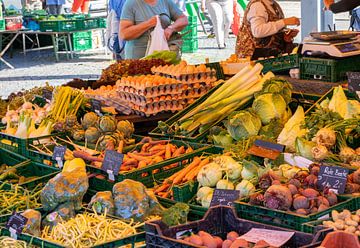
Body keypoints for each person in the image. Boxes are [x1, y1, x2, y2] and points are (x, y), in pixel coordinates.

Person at [119, 0, 188, 59]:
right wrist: (148, 24)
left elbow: (183, 19)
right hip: (138, 61)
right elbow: (124, 34)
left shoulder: (165, 1)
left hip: (163, 58)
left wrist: (171, 28)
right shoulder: (131, 3)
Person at [235, 0, 300, 58]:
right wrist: (284, 22)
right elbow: (257, 31)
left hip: (267, 55)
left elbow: (271, 30)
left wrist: (285, 35)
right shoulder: (257, 5)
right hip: (253, 57)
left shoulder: (273, 4)